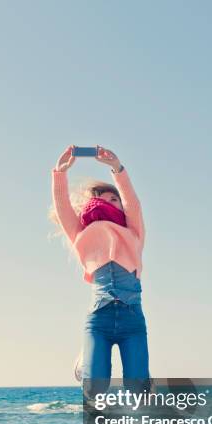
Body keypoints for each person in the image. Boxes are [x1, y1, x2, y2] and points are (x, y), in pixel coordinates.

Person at [51, 145, 150, 394]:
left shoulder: (134, 232)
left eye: (115, 198)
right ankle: (85, 362)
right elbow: (64, 209)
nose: (110, 201)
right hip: (99, 319)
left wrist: (117, 168)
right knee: (95, 391)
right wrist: (60, 173)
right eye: (103, 199)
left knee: (138, 390)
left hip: (132, 320)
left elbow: (133, 204)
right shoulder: (82, 235)